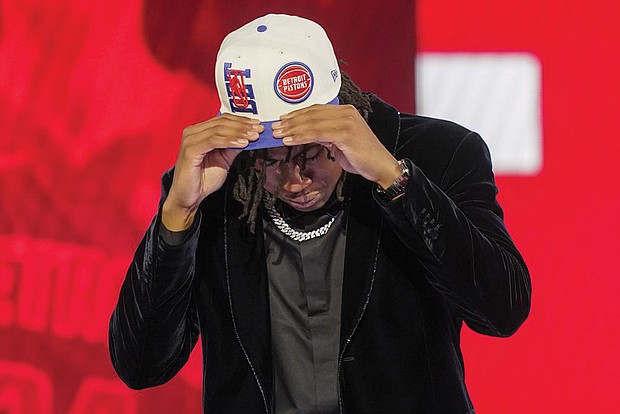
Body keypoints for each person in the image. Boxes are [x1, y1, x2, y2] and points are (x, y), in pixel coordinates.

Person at [109, 13, 531, 414]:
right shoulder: (214, 187)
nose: (293, 181)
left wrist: (394, 179)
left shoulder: (441, 155)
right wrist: (178, 215)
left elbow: (502, 310)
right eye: (269, 160)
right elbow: (142, 365)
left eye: (309, 152)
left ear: (340, 114)